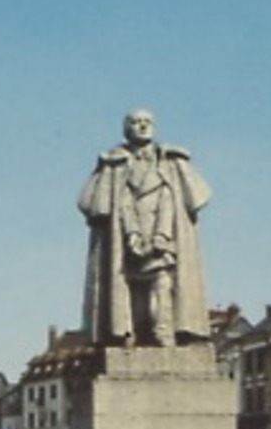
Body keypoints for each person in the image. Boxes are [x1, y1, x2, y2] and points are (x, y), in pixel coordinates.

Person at [78, 109, 212, 347]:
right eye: (136, 122)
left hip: (164, 243)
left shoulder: (170, 162)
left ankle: (166, 334)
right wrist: (132, 236)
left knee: (162, 292)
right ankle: (128, 334)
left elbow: (177, 200)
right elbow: (111, 205)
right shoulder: (114, 164)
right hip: (127, 245)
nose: (142, 126)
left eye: (147, 121)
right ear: (126, 129)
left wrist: (161, 235)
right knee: (132, 299)